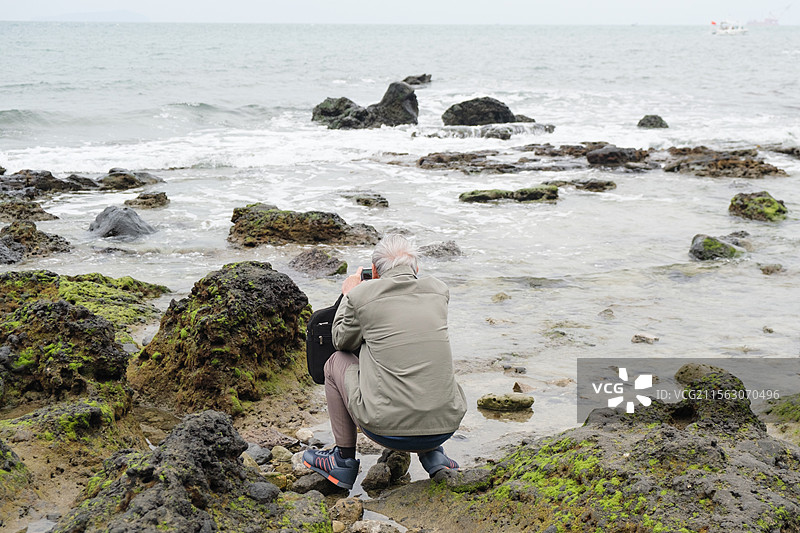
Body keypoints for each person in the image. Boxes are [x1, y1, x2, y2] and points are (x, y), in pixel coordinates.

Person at [303, 234, 467, 489]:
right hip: (445, 426)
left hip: (387, 430)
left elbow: (340, 341)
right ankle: (434, 455)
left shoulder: (362, 296)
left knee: (336, 361)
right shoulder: (438, 290)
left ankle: (342, 461)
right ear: (416, 268)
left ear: (375, 271)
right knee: (418, 352)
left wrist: (349, 295)